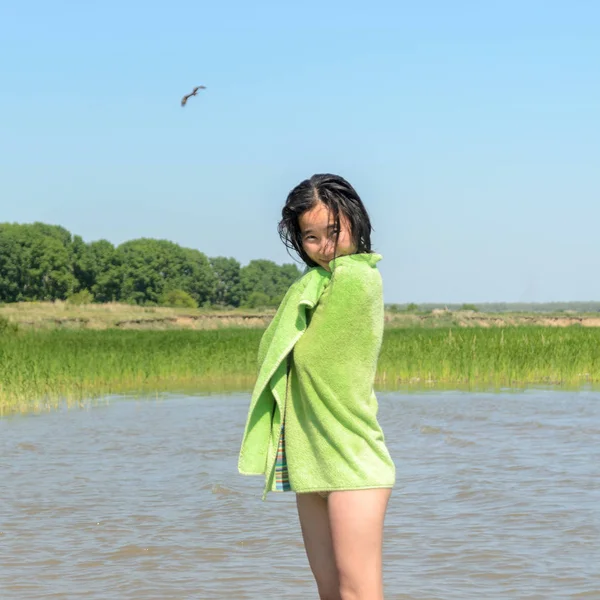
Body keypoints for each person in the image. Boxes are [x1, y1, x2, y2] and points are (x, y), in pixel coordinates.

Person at [238, 173, 395, 600]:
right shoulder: (314, 287)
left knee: (357, 593)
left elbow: (309, 357)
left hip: (353, 461)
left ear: (356, 223)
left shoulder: (357, 279)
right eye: (310, 236)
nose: (325, 247)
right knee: (329, 592)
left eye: (334, 231)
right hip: (312, 463)